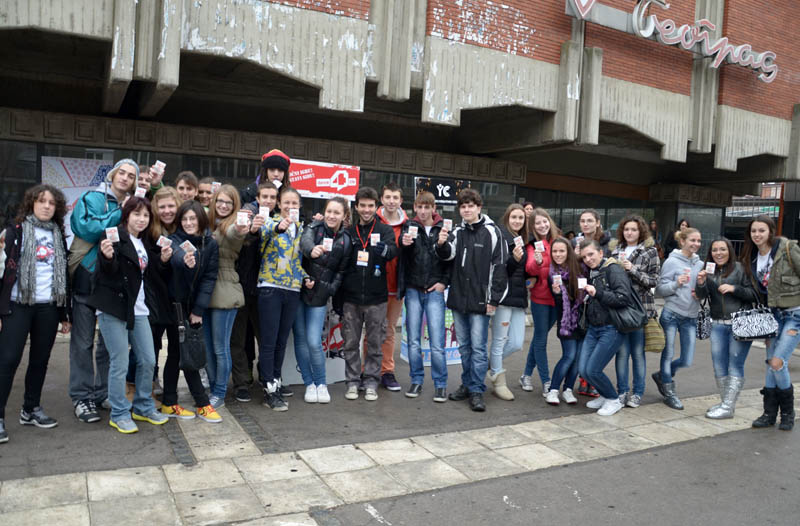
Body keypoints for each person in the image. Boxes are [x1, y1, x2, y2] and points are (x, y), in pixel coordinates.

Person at [89, 197, 169, 433]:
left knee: (148, 359)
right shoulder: (113, 235)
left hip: (139, 309)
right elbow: (108, 271)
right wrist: (107, 257)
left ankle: (143, 406)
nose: (141, 219)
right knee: (120, 362)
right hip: (114, 308)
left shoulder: (143, 242)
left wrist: (163, 260)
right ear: (126, 216)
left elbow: (149, 274)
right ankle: (119, 413)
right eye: (137, 214)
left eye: (145, 215)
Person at [0, 185, 71, 443]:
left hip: (48, 306)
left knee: (40, 360)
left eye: (51, 203)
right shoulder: (14, 232)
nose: (46, 206)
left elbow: (62, 276)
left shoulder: (58, 234)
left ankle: (30, 409)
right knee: (8, 360)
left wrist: (64, 314)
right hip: (18, 304)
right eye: (41, 201)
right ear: (31, 203)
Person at [68, 159, 137, 423]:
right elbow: (86, 228)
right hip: (87, 277)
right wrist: (119, 212)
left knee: (109, 344)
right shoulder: (92, 197)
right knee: (83, 342)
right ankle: (82, 397)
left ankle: (104, 392)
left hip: (113, 283)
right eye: (122, 172)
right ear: (113, 174)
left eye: (131, 175)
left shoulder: (133, 206)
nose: (125, 178)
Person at [437, 189, 507, 412]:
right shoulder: (457, 231)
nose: (467, 210)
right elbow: (448, 255)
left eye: (470, 206)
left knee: (478, 348)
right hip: (459, 299)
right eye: (463, 206)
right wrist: (441, 244)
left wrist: (493, 299)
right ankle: (467, 385)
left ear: (479, 207)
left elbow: (499, 267)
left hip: (481, 301)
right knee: (464, 347)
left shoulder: (492, 232)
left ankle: (477, 390)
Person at [340, 187, 398, 402]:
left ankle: (372, 381)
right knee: (350, 343)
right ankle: (352, 382)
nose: (366, 210)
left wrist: (385, 250)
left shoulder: (385, 230)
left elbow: (393, 251)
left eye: (370, 206)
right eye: (362, 206)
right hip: (351, 298)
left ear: (376, 207)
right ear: (356, 207)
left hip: (376, 298)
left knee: (375, 344)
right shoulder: (349, 232)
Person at [167, 201, 222, 422]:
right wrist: (184, 261)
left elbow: (210, 277)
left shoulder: (210, 243)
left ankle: (170, 402)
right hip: (174, 305)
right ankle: (201, 402)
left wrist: (199, 309)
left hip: (193, 307)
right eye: (184, 219)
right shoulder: (174, 240)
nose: (189, 223)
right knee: (181, 352)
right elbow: (175, 256)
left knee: (180, 352)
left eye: (193, 219)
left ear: (201, 220)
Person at [743, 215, 798, 431]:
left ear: (771, 231)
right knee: (770, 362)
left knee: (777, 362)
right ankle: (769, 413)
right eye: (753, 231)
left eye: (761, 230)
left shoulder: (787, 249)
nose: (757, 234)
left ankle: (788, 413)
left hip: (794, 314)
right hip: (772, 315)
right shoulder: (752, 256)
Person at [295, 197, 352, 403]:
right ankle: (309, 383)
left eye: (337, 212)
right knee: (301, 341)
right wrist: (312, 250)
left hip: (320, 296)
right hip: (298, 290)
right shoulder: (314, 227)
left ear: (344, 216)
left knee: (313, 341)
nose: (331, 216)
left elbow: (342, 272)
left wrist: (330, 289)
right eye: (329, 211)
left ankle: (321, 383)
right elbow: (305, 242)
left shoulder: (346, 240)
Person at [255, 188, 306, 411]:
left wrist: (306, 277)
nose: (290, 206)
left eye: (294, 203)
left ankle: (275, 379)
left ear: (299, 205)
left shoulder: (301, 228)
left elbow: (297, 261)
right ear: (278, 204)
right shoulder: (269, 222)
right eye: (286, 202)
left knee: (281, 341)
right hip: (271, 287)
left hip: (293, 289)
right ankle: (269, 389)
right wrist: (279, 227)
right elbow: (264, 234)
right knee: (269, 341)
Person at [695, 238, 757, 419]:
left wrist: (734, 288)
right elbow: (701, 296)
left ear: (729, 250)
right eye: (715, 250)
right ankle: (725, 404)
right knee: (719, 366)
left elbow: (754, 294)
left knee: (735, 365)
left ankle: (728, 407)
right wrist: (701, 282)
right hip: (717, 324)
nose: (718, 253)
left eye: (722, 249)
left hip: (740, 324)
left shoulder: (740, 268)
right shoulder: (708, 270)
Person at [398, 191, 450, 402]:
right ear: (415, 208)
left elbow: (450, 260)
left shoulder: (443, 228)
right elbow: (403, 258)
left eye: (427, 207)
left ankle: (440, 384)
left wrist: (443, 283)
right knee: (413, 340)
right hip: (413, 289)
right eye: (419, 207)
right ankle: (416, 380)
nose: (423, 211)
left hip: (435, 290)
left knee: (437, 342)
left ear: (433, 208)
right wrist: (403, 244)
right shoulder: (409, 226)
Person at [578, 239, 638, 416]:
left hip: (611, 327)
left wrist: (598, 293)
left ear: (601, 253)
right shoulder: (593, 271)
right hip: (594, 327)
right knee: (584, 369)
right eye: (584, 257)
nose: (588, 259)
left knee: (593, 370)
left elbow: (623, 298)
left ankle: (613, 399)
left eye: (591, 254)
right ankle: (604, 395)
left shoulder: (614, 269)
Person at [204, 185, 248, 408]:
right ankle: (213, 387)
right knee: (208, 347)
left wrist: (240, 227)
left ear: (234, 206)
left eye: (228, 203)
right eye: (220, 201)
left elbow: (235, 233)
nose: (223, 205)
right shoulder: (207, 222)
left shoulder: (233, 225)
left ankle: (220, 392)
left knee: (220, 347)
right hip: (204, 290)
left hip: (225, 289)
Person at [610, 215, 660, 408]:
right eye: (626, 229)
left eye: (634, 229)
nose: (629, 233)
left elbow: (654, 281)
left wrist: (632, 269)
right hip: (620, 308)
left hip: (639, 309)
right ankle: (622, 391)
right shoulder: (616, 250)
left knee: (638, 353)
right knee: (621, 353)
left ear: (641, 232)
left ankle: (637, 392)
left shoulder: (650, 251)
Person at [231, 182, 275, 402]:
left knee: (266, 339)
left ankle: (268, 379)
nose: (268, 200)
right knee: (238, 339)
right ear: (257, 198)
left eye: (272, 197)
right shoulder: (246, 216)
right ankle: (241, 383)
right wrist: (252, 231)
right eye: (264, 196)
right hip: (241, 287)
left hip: (266, 291)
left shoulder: (280, 220)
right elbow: (238, 244)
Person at [653, 227, 704, 410]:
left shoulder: (700, 264)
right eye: (692, 240)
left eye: (698, 241)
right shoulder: (671, 261)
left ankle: (662, 375)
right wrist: (676, 283)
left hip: (691, 316)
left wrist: (701, 290)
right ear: (682, 241)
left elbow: (703, 291)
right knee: (668, 354)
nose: (696, 244)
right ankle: (669, 391)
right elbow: (660, 289)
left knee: (687, 359)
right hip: (671, 314)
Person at [487, 204, 529, 401]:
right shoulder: (500, 237)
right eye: (514, 217)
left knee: (516, 342)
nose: (517, 221)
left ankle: (486, 365)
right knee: (499, 340)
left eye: (521, 218)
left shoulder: (523, 239)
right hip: (503, 296)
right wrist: (514, 260)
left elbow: (524, 272)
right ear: (507, 218)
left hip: (519, 297)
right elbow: (501, 269)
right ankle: (498, 380)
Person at [521, 208, 561, 395]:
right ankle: (546, 381)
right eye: (538, 223)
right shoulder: (531, 246)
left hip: (558, 298)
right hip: (540, 299)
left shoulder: (559, 241)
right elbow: (530, 268)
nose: (542, 225)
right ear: (533, 227)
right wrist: (537, 262)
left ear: (549, 221)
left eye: (545, 221)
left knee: (539, 337)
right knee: (541, 340)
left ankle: (526, 374)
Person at [373, 182, 408, 392]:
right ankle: (368, 370)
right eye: (388, 197)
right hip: (374, 285)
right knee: (372, 329)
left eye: (395, 197)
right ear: (382, 199)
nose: (391, 201)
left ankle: (387, 371)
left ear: (400, 201)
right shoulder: (373, 220)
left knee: (388, 330)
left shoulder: (408, 225)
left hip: (396, 285)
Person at [545, 238, 585, 405]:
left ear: (568, 252)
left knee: (577, 359)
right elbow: (560, 304)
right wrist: (556, 294)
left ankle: (568, 389)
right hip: (566, 323)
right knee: (569, 356)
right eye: (555, 251)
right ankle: (553, 390)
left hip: (582, 321)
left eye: (562, 251)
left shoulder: (580, 268)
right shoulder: (553, 273)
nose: (558, 254)